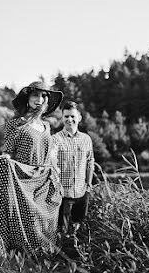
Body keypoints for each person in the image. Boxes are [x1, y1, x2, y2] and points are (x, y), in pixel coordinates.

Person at [0, 81, 64, 253]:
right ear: (27, 99)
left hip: (44, 181)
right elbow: (9, 152)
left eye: (43, 96)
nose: (39, 99)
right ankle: (22, 257)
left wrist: (56, 173)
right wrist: (5, 159)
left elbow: (49, 153)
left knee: (43, 224)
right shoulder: (15, 124)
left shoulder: (46, 126)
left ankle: (43, 259)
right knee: (27, 222)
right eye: (35, 95)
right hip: (23, 181)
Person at [53, 101, 95, 236]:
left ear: (79, 117)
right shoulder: (55, 139)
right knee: (62, 232)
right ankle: (58, 256)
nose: (69, 120)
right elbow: (51, 166)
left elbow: (90, 162)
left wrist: (88, 185)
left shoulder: (86, 139)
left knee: (79, 229)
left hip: (82, 192)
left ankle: (76, 254)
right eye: (66, 116)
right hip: (63, 194)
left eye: (72, 116)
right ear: (62, 118)